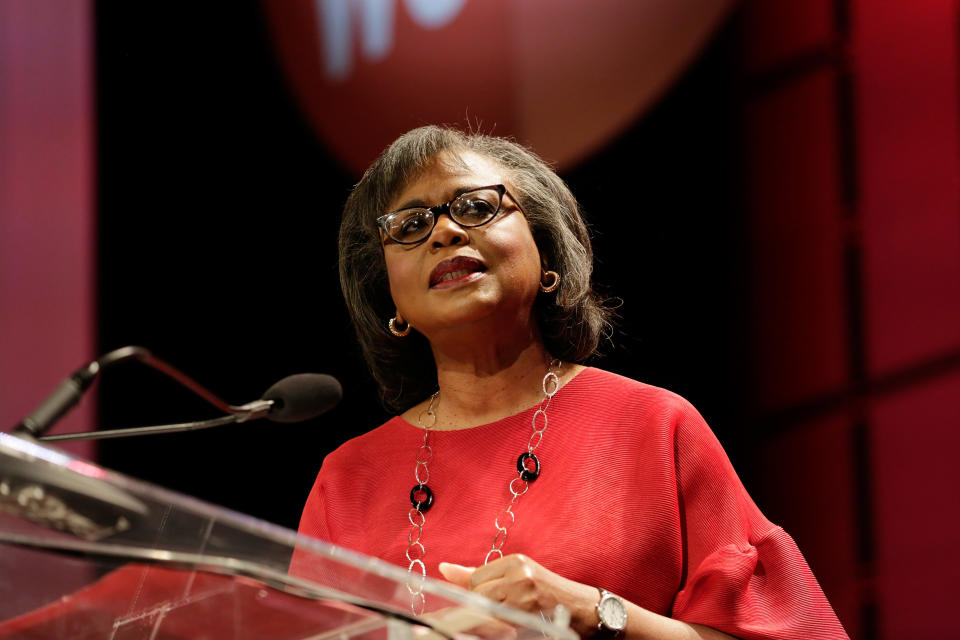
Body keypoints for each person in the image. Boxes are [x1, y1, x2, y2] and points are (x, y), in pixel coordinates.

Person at [293, 126, 848, 639]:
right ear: (389, 298)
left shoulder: (653, 425)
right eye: (410, 227)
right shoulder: (347, 481)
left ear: (546, 252)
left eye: (476, 206)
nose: (445, 231)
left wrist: (592, 611)